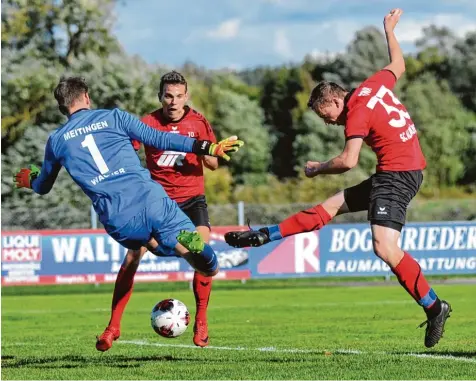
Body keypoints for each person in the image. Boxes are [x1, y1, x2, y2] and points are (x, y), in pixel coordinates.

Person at [225, 9, 451, 348]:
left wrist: (317, 168)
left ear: (334, 99)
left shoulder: (355, 112)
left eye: (324, 114)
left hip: (398, 176)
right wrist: (389, 30)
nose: (327, 122)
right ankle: (264, 235)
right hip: (399, 171)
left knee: (384, 247)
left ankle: (435, 306)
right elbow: (399, 65)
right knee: (329, 207)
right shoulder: (372, 85)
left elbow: (348, 161)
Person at [13, 76, 244, 351]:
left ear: (62, 105)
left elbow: (43, 186)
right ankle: (198, 251)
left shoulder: (57, 141)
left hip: (118, 217)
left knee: (145, 248)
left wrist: (31, 179)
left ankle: (114, 327)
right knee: (205, 262)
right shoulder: (115, 117)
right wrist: (207, 147)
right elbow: (160, 138)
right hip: (153, 199)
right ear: (87, 97)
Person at [99, 71, 219, 350]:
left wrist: (209, 151)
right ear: (160, 97)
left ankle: (201, 321)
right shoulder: (148, 123)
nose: (173, 101)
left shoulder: (199, 122)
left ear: (186, 96)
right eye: (168, 95)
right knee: (132, 257)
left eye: (178, 96)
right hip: (156, 201)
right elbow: (128, 152)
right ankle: (112, 327)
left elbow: (213, 165)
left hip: (191, 201)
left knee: (202, 251)